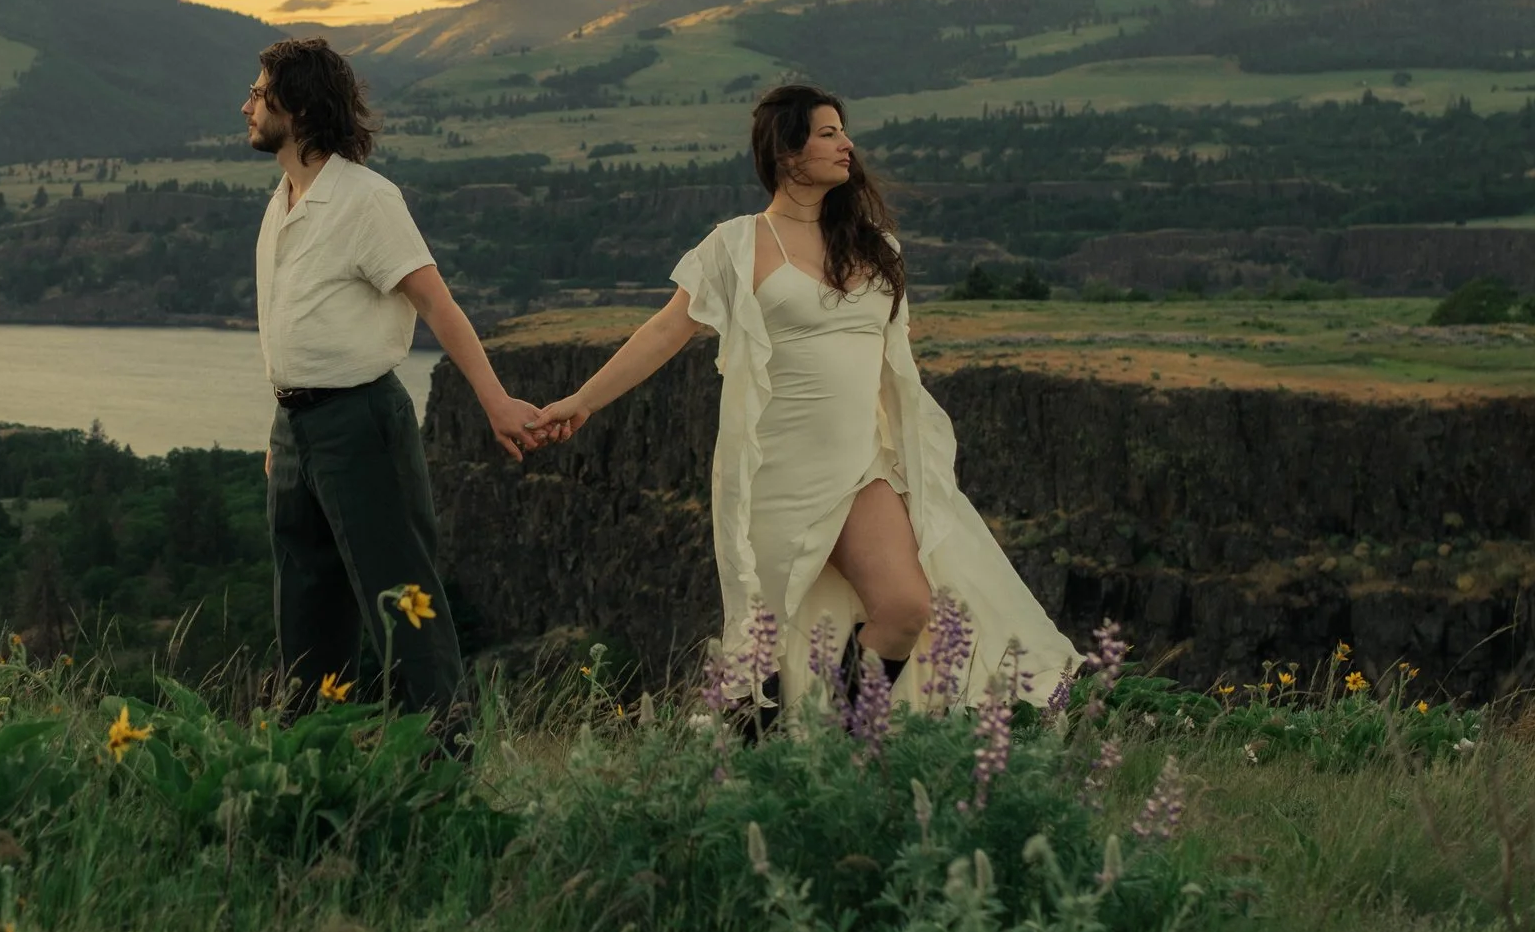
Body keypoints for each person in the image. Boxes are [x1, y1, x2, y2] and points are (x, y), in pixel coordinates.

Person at [532, 83, 1076, 729]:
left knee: (904, 607)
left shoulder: (877, 249)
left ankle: (847, 742)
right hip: (776, 469)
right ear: (787, 154)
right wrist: (580, 401)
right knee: (763, 646)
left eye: (844, 132)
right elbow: (664, 332)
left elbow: (893, 367)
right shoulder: (736, 246)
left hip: (862, 463)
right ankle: (757, 776)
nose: (847, 144)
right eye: (827, 133)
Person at [246, 37, 544, 727]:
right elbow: (297, 323)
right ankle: (310, 763)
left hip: (361, 423)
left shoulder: (367, 200)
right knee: (305, 608)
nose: (247, 106)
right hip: (296, 432)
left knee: (402, 601)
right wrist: (280, 427)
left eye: (259, 93)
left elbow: (438, 303)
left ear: (295, 104)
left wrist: (496, 403)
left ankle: (443, 766)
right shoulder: (284, 199)